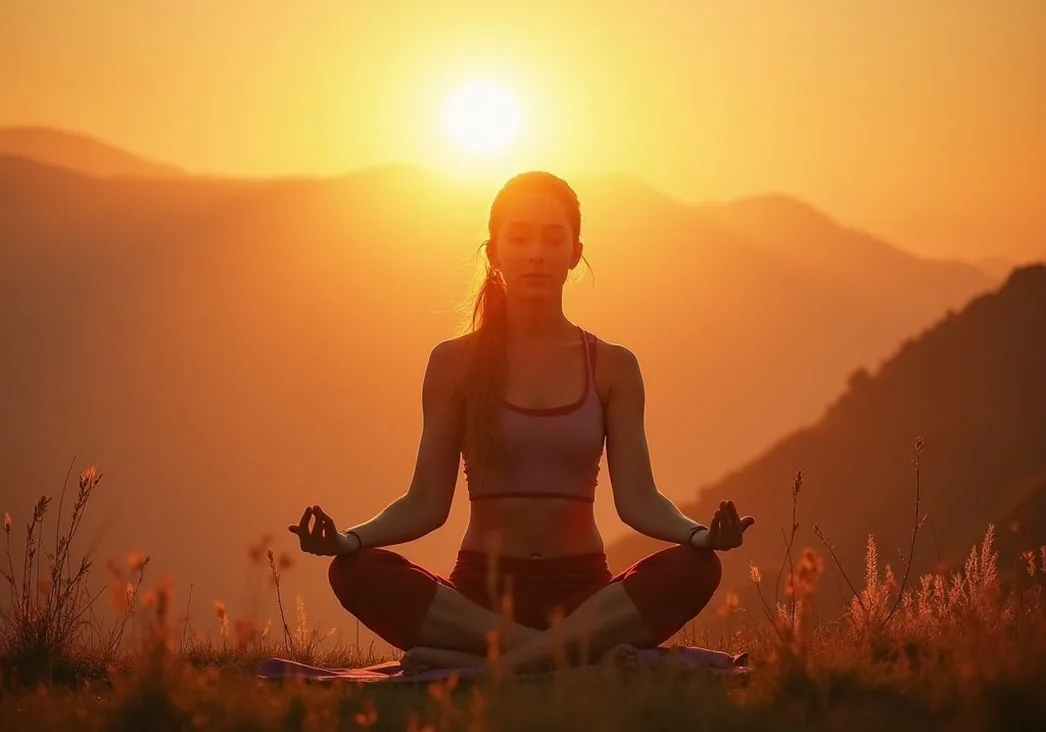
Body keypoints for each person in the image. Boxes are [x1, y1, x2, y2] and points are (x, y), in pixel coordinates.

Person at [288, 171, 755, 675]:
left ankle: (489, 667)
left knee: (695, 568)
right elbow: (424, 503)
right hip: (479, 600)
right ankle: (565, 657)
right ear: (494, 251)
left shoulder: (614, 365)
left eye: (553, 238)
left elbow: (639, 500)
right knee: (356, 573)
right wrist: (349, 541)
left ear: (575, 252)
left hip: (584, 596)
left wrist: (698, 537)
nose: (535, 252)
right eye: (519, 237)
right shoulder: (453, 363)